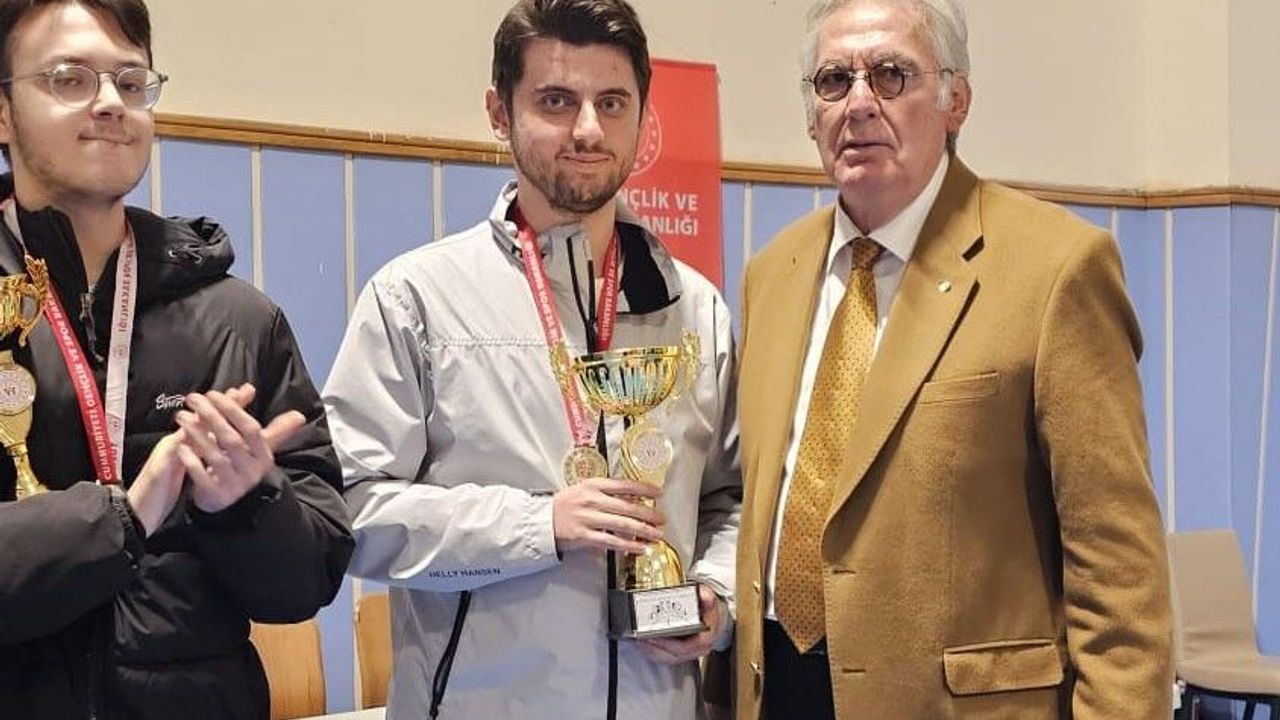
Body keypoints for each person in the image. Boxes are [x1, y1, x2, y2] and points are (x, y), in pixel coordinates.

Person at [730, 0, 1172, 718]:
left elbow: (1119, 571)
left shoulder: (1057, 268)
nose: (859, 104)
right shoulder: (771, 275)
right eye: (834, 80)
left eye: (891, 74)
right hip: (777, 690)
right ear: (812, 114)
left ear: (955, 100)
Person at [322, 1, 740, 718]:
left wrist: (716, 593)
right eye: (556, 101)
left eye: (612, 103)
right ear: (499, 112)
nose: (588, 129)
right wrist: (538, 526)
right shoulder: (416, 298)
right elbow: (349, 510)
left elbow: (730, 500)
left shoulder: (694, 308)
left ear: (642, 119)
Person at [0, 1, 354, 718]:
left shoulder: (238, 320)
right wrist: (125, 516)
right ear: (2, 114)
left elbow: (305, 584)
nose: (110, 103)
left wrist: (248, 504)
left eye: (131, 82)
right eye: (70, 79)